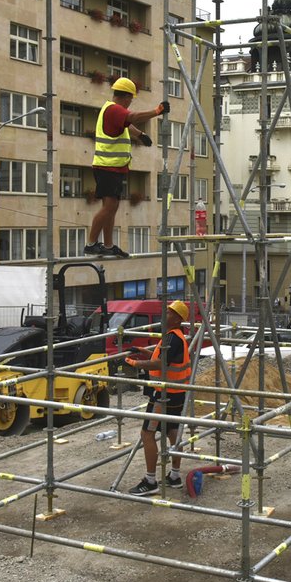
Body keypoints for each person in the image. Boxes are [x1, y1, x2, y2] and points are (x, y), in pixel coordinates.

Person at [85, 77, 169, 258]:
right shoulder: (114, 109)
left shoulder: (111, 110)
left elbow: (126, 124)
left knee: (112, 207)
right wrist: (157, 111)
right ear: (126, 96)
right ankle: (91, 243)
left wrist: (140, 134)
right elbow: (132, 117)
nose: (131, 101)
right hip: (107, 167)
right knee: (109, 207)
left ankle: (107, 245)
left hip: (112, 168)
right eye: (131, 98)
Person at [123, 300, 192, 496]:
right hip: (176, 393)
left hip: (164, 394)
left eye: (169, 313)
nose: (165, 315)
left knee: (147, 434)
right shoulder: (176, 337)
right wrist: (144, 352)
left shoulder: (172, 337)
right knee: (172, 432)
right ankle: (175, 476)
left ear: (178, 319)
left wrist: (135, 364)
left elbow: (159, 364)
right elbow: (164, 358)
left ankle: (150, 481)